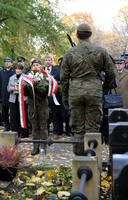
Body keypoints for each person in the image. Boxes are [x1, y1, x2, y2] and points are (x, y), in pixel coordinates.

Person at [60, 23, 116, 155]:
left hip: (76, 93)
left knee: (78, 129)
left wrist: (65, 95)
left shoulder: (70, 53)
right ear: (90, 34)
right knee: (93, 129)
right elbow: (111, 73)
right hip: (94, 92)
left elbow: (63, 78)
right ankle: (92, 161)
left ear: (77, 35)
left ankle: (79, 162)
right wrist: (104, 87)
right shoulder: (101, 51)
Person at [27, 59, 49, 155]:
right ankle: (35, 146)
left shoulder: (45, 76)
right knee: (34, 127)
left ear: (41, 66)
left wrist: (37, 87)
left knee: (43, 127)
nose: (36, 66)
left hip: (42, 105)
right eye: (34, 65)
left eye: (37, 64)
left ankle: (43, 147)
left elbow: (46, 90)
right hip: (32, 105)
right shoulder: (28, 77)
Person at [44, 54, 63, 139]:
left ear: (51, 61)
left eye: (49, 60)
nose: (48, 62)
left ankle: (56, 132)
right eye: (46, 60)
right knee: (45, 115)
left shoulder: (57, 70)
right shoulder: (41, 71)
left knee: (55, 114)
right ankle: (45, 132)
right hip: (44, 96)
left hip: (54, 95)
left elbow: (59, 80)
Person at [7, 64, 29, 137]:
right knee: (14, 116)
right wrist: (13, 88)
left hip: (22, 99)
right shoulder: (11, 78)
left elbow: (27, 88)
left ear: (22, 70)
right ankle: (14, 131)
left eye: (19, 69)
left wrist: (20, 89)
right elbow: (8, 88)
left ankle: (23, 132)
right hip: (13, 99)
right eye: (16, 69)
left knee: (22, 115)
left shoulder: (25, 77)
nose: (18, 70)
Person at [0, 57, 15, 131]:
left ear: (11, 63)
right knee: (4, 111)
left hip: (12, 94)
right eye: (6, 62)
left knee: (12, 111)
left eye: (8, 62)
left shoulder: (14, 71)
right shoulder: (2, 71)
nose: (7, 63)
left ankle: (13, 125)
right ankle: (6, 125)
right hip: (4, 94)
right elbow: (0, 84)